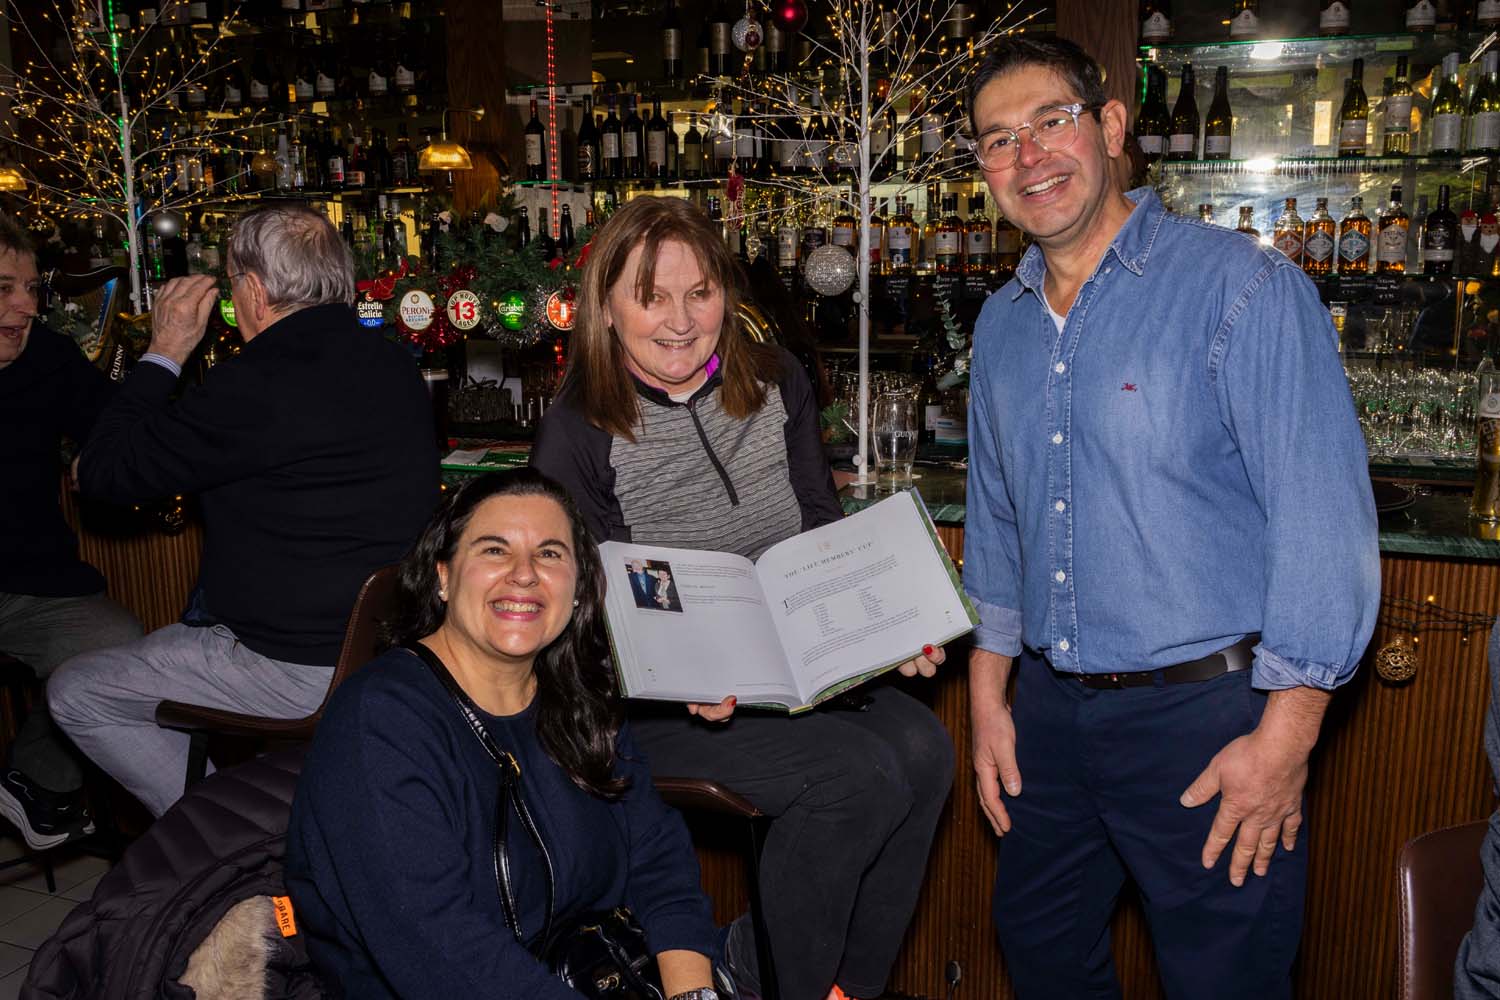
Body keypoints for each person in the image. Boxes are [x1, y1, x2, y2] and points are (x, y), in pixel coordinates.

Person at [961, 37, 1380, 1000]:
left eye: (1051, 121)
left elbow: (1324, 525)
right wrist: (988, 704)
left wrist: (1285, 743)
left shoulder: (1242, 287)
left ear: (1111, 127)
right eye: (998, 139)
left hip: (1207, 716)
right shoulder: (1002, 324)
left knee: (1224, 977)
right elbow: (996, 522)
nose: (1029, 156)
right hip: (1050, 715)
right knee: (1041, 954)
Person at [531, 195, 954, 1000]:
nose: (681, 321)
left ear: (726, 292)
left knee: (926, 750)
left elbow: (821, 530)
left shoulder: (776, 379)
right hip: (647, 706)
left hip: (787, 668)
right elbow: (576, 620)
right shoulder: (578, 431)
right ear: (607, 310)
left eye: (701, 292)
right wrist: (681, 672)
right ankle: (753, 973)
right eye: (652, 297)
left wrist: (882, 626)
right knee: (856, 778)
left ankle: (841, 989)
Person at [49, 203, 440, 817]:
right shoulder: (393, 363)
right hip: (388, 645)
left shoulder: (255, 382)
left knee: (76, 691)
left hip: (291, 665)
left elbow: (101, 474)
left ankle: (229, 832)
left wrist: (165, 350)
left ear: (254, 291)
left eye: (233, 283)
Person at [286, 469, 721, 1000]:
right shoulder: (379, 721)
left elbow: (659, 862)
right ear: (443, 576)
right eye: (494, 550)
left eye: (550, 554)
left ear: (578, 588)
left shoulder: (582, 697)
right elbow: (440, 952)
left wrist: (693, 994)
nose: (524, 575)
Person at [0, 214, 141, 848]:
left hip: (34, 582)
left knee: (117, 646)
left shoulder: (49, 357)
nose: (27, 306)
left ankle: (35, 781)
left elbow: (117, 429)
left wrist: (102, 458)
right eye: (5, 288)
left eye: (32, 289)